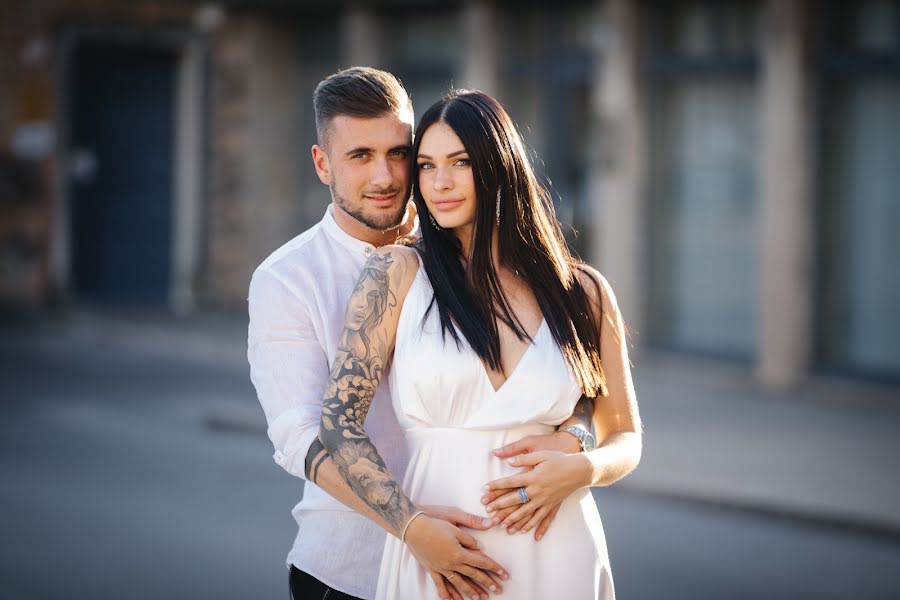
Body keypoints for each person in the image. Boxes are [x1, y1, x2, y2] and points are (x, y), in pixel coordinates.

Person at [248, 68, 599, 600]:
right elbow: (302, 434)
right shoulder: (287, 278)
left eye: (399, 153)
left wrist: (575, 437)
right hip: (352, 567)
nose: (387, 176)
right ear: (323, 164)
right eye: (360, 156)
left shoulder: (470, 250)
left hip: (507, 557)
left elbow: (561, 379)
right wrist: (410, 524)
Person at [318, 90, 643, 600]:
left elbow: (624, 435)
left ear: (498, 166)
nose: (439, 182)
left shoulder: (583, 292)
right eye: (425, 166)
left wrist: (582, 466)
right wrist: (412, 528)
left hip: (557, 549)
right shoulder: (397, 273)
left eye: (460, 162)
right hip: (440, 553)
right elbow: (337, 423)